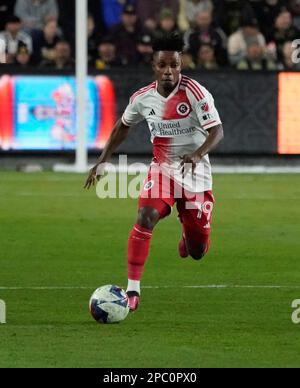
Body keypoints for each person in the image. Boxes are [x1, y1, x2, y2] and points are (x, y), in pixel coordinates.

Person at [85, 33, 224, 312]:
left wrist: (197, 154)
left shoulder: (196, 93)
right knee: (145, 216)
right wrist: (103, 160)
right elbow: (123, 125)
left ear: (180, 64)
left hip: (195, 174)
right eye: (163, 65)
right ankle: (132, 290)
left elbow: (217, 131)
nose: (168, 71)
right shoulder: (142, 98)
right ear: (154, 65)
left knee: (197, 251)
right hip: (162, 170)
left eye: (173, 65)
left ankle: (189, 237)